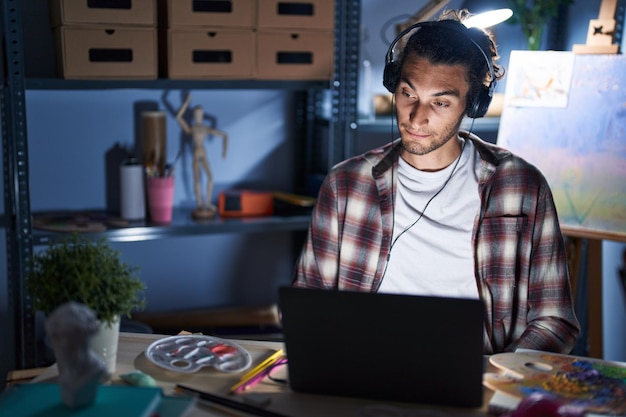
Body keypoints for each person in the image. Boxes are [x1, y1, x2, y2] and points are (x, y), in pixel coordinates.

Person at [292, 10, 580, 355]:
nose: (417, 117)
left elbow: (555, 320)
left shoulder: (521, 186)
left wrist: (498, 376)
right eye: (408, 94)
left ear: (473, 104)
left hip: (484, 383)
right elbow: (309, 304)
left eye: (440, 102)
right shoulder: (346, 185)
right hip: (367, 374)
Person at [45, 302, 110, 407]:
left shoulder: (96, 369)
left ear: (82, 342)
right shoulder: (68, 373)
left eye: (67, 347)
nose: (59, 351)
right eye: (55, 345)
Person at [176, 92, 228, 219]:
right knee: (197, 179)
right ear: (194, 115)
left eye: (200, 113)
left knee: (210, 178)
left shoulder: (204, 128)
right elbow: (178, 117)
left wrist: (224, 150)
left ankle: (207, 202)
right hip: (195, 154)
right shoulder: (191, 129)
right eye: (196, 113)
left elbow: (224, 135)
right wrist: (186, 103)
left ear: (202, 114)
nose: (198, 115)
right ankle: (200, 203)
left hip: (202, 153)